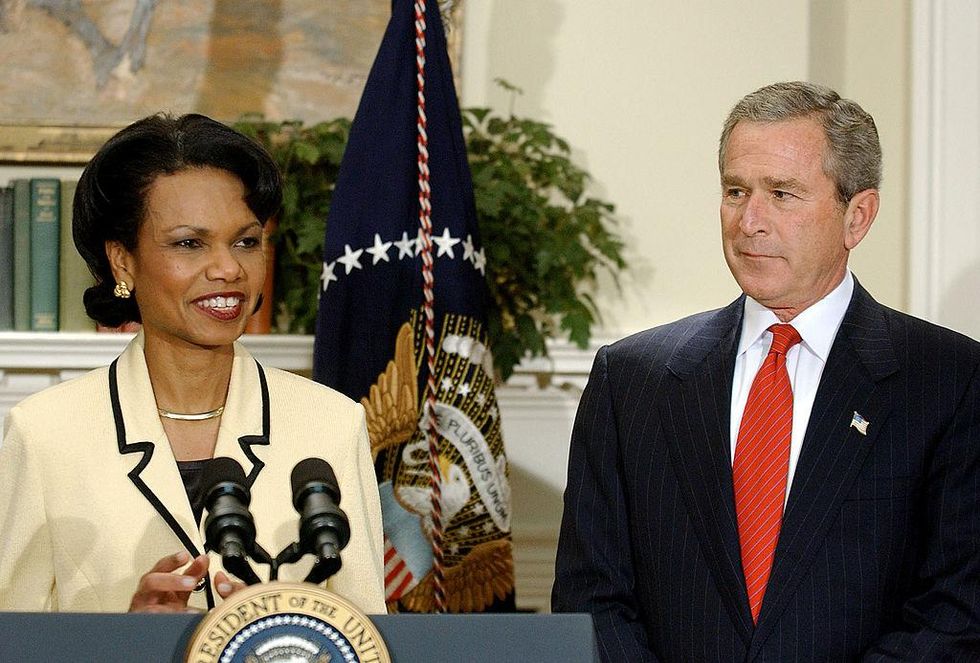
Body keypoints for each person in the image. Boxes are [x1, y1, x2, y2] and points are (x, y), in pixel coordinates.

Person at [552, 81, 980, 661]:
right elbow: (592, 601)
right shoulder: (632, 380)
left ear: (858, 216)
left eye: (782, 193)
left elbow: (956, 612)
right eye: (736, 190)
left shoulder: (950, 381)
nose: (749, 220)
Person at [0, 114, 386, 614]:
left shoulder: (330, 423)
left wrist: (277, 636)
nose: (228, 269)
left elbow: (365, 637)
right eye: (189, 243)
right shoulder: (45, 432)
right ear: (122, 261)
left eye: (246, 241)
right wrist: (126, 643)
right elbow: (16, 641)